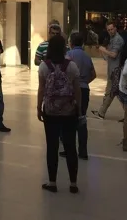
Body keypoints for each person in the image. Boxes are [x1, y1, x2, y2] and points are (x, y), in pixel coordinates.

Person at [37, 34, 82, 194]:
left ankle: (52, 182)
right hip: (69, 111)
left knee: (52, 146)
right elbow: (77, 89)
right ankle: (73, 183)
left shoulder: (44, 66)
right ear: (64, 48)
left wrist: (39, 107)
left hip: (50, 111)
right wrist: (79, 108)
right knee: (70, 146)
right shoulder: (72, 66)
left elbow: (41, 89)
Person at [63, 32, 95, 160]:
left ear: (71, 42)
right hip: (84, 89)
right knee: (82, 119)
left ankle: (69, 149)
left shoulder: (69, 55)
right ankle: (83, 151)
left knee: (69, 120)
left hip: (71, 90)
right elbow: (93, 74)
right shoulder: (87, 56)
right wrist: (84, 82)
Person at [92, 21, 124, 120]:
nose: (110, 31)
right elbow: (108, 57)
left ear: (115, 28)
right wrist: (102, 51)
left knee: (115, 93)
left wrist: (103, 50)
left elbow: (113, 55)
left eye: (111, 29)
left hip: (116, 71)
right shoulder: (112, 39)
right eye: (108, 30)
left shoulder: (117, 39)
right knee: (110, 92)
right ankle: (101, 112)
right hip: (112, 70)